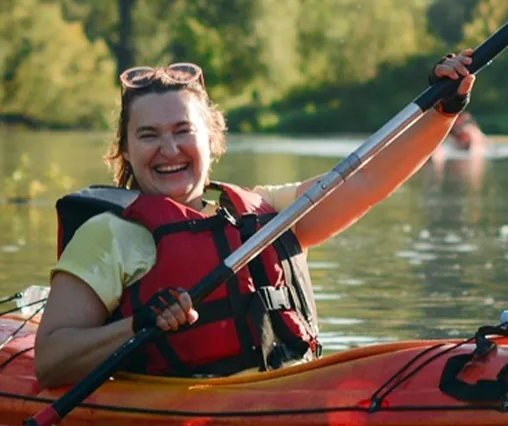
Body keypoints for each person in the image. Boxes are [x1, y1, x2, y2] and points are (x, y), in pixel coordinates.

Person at [34, 51, 475, 386]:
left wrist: (442, 111)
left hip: (287, 394)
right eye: (148, 135)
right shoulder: (108, 235)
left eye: (183, 131)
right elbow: (51, 359)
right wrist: (139, 325)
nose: (168, 150)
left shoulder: (265, 213)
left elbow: (366, 180)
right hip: (177, 405)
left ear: (211, 138)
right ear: (126, 150)